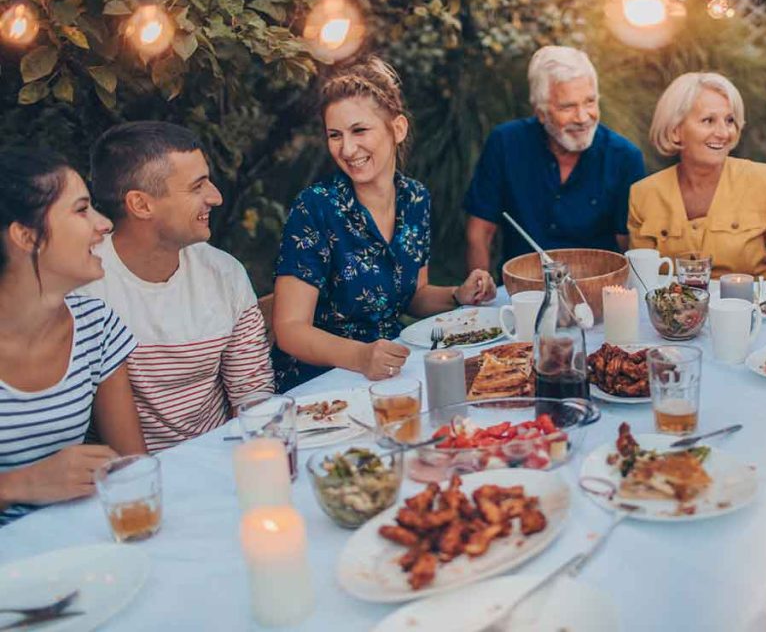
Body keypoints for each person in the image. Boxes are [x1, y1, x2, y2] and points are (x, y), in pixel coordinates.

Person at [273, 57, 496, 391]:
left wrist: (457, 294)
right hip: (321, 386)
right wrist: (361, 357)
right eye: (335, 135)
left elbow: (413, 295)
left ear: (398, 128)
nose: (347, 149)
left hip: (392, 372)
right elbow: (289, 328)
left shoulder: (415, 199)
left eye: (359, 130)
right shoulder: (316, 208)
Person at [83, 122, 274, 452]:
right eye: (197, 186)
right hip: (133, 478)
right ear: (141, 205)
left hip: (225, 456)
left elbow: (253, 394)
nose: (216, 196)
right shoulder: (84, 287)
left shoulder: (224, 274)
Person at [0, 149, 146, 526]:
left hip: (78, 548)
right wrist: (18, 485)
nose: (105, 225)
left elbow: (134, 468)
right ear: (27, 236)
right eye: (81, 210)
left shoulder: (96, 325)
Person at [463, 46, 646, 273]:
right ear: (540, 112)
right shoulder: (505, 143)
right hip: (523, 289)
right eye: (567, 106)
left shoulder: (625, 158)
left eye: (589, 102)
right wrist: (480, 289)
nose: (582, 117)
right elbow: (479, 231)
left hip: (594, 289)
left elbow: (627, 246)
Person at [628, 72, 766, 280]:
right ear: (675, 131)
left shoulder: (765, 179)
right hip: (675, 311)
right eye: (708, 120)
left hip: (753, 309)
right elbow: (642, 280)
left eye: (730, 120)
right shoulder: (643, 194)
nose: (724, 133)